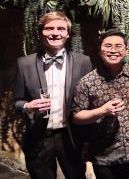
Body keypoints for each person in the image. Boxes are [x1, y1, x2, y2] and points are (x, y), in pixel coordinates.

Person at [14, 11, 92, 179]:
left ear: (68, 34)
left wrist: (87, 141)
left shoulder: (83, 62)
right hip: (39, 137)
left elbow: (89, 104)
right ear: (41, 32)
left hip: (71, 137)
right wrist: (27, 106)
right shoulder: (24, 64)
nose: (55, 33)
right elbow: (17, 102)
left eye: (60, 28)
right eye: (49, 28)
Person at [71, 30, 129, 179]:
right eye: (108, 46)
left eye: (118, 46)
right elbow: (76, 116)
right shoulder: (87, 82)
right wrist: (101, 111)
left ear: (126, 51)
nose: (113, 50)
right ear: (100, 50)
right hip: (103, 157)